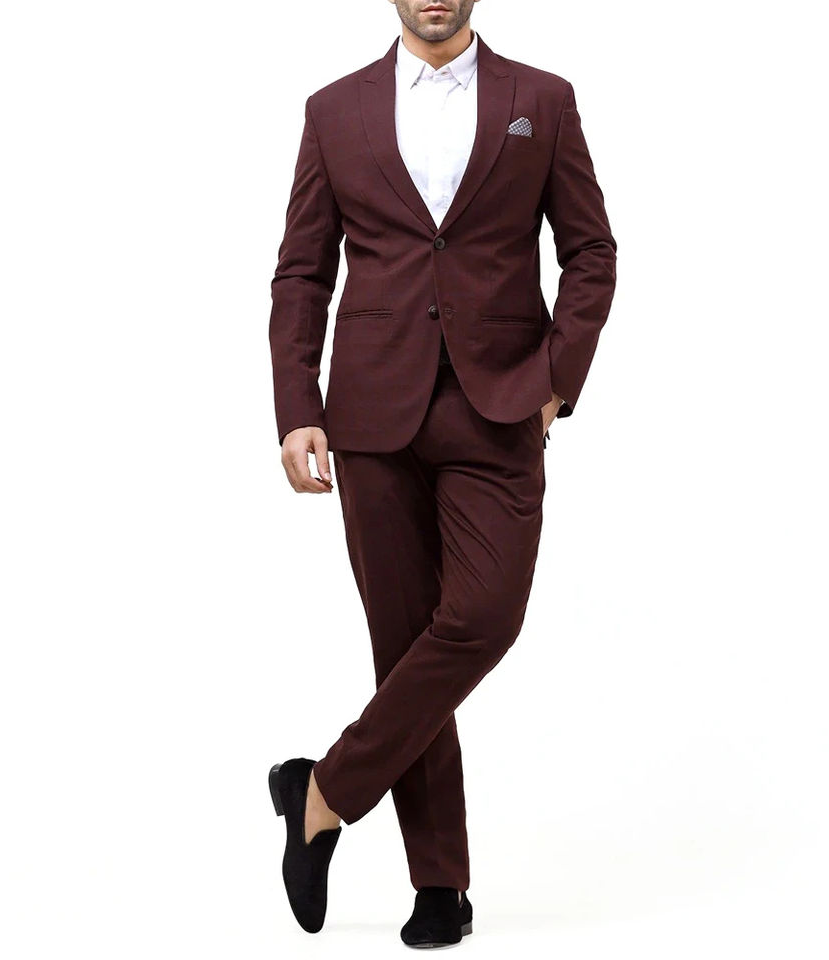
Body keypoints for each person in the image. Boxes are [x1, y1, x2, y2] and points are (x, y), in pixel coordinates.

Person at [266, 0, 616, 947]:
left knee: (482, 618)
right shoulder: (333, 110)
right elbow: (303, 272)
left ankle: (321, 792)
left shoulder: (541, 100)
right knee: (403, 646)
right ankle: (440, 887)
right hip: (371, 413)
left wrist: (557, 379)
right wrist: (298, 403)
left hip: (500, 404)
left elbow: (591, 251)